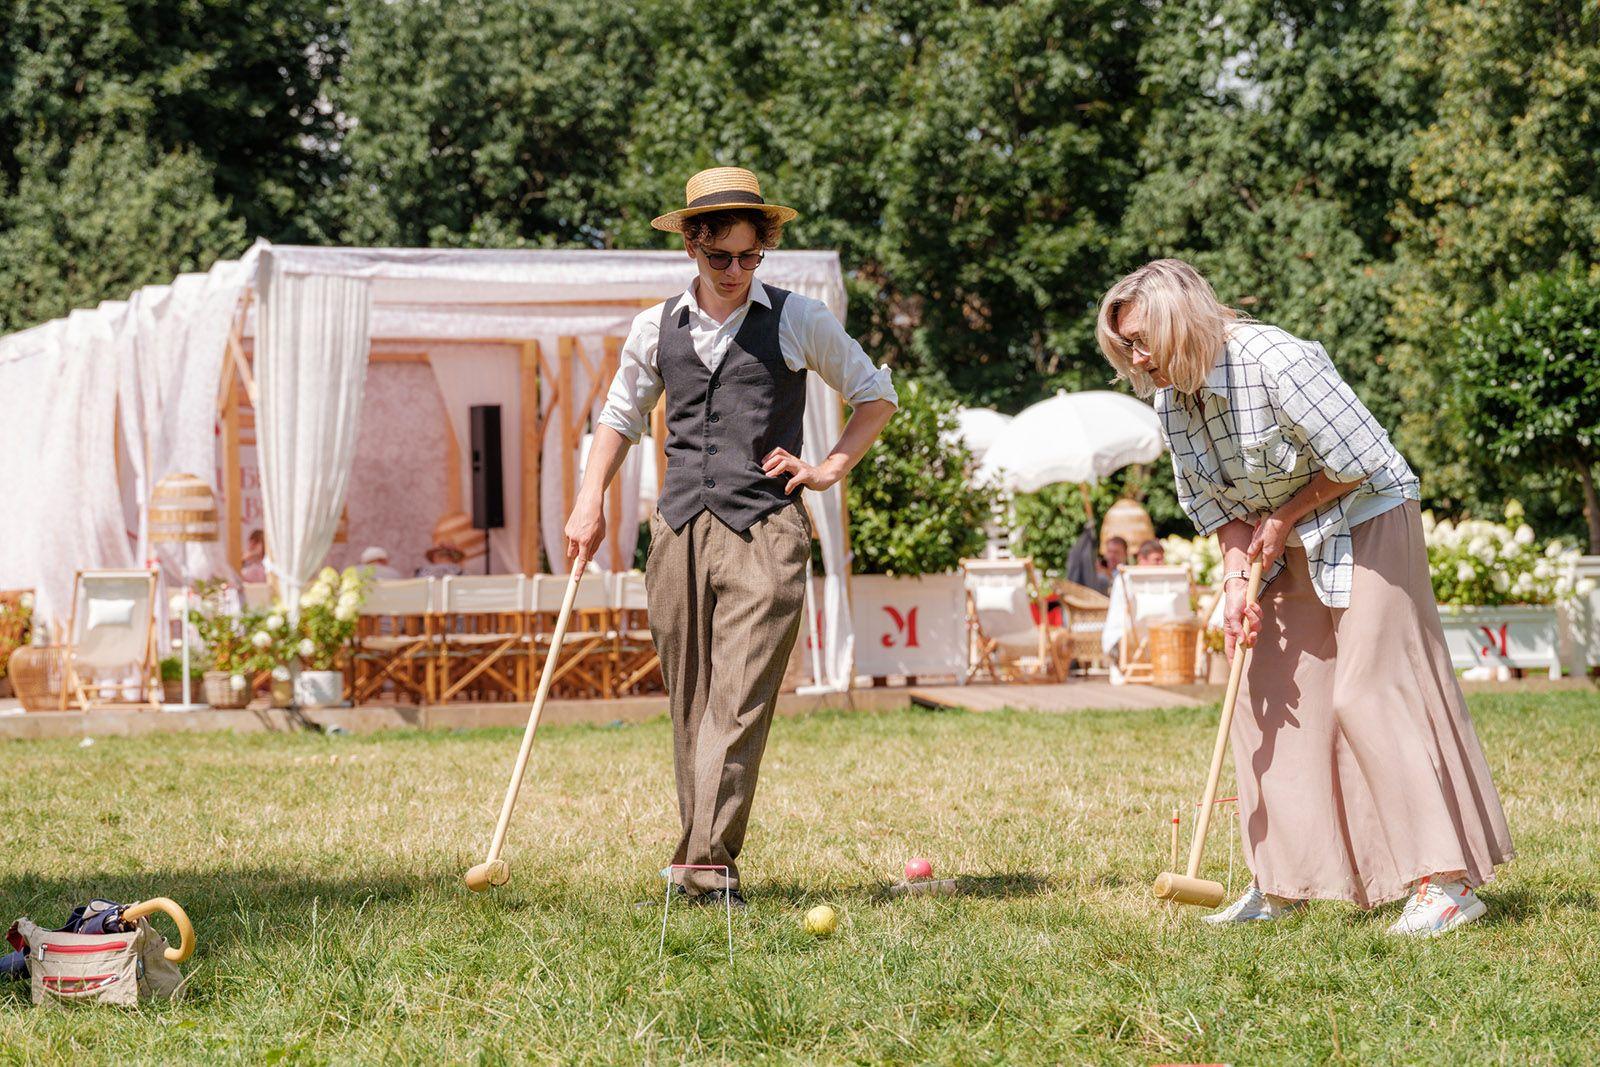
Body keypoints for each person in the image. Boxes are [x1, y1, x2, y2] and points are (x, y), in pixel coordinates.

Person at [1096, 258, 1512, 934]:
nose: (1138, 359)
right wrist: (1235, 583)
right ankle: (1282, 882)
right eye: (1128, 348)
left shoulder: (1274, 359)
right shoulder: (1172, 399)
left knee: (1366, 689)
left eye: (1143, 340)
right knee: (1266, 699)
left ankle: (1445, 881)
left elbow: (1360, 456)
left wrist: (1285, 517)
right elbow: (1213, 504)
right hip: (1279, 533)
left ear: (1181, 321)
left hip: (1368, 513)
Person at [565, 166, 897, 908]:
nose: (738, 272)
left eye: (752, 258)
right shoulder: (656, 327)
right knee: (692, 702)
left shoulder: (795, 317)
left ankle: (704, 863)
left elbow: (876, 395)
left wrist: (827, 468)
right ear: (692, 242)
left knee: (740, 699)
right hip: (678, 530)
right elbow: (618, 418)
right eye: (723, 258)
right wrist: (589, 502)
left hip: (765, 529)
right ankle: (703, 869)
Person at [1101, 539, 1171, 679]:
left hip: (1144, 636)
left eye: (1162, 560)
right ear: (1142, 560)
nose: (1161, 564)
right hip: (1122, 638)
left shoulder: (1157, 580)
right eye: (1156, 560)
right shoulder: (1126, 579)